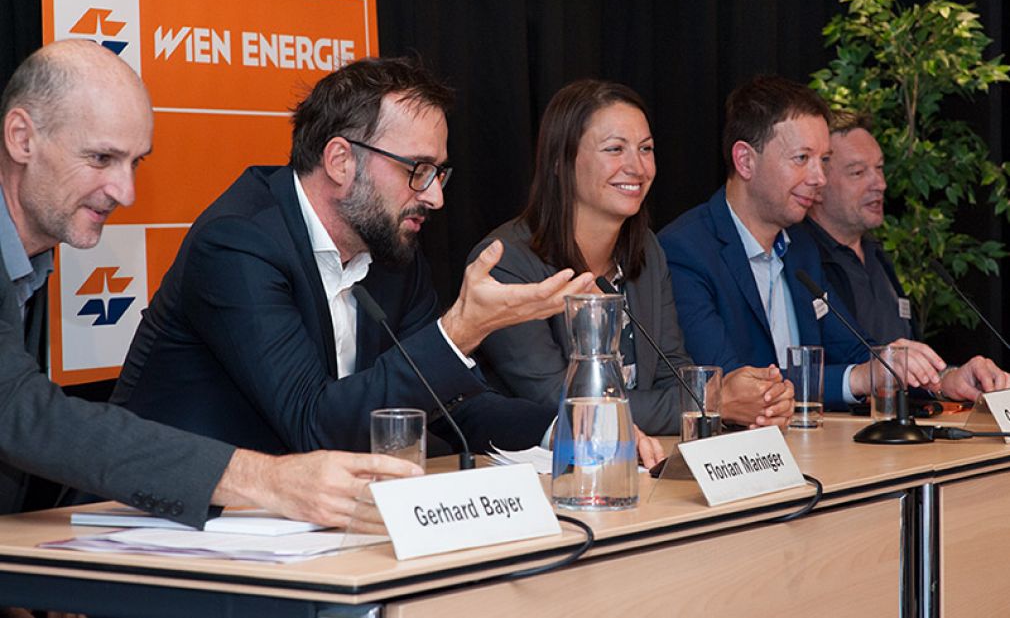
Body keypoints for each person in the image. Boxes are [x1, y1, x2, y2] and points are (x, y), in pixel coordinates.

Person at [110, 57, 662, 466]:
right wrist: (458, 333)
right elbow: (312, 422)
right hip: (156, 527)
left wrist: (575, 429)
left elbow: (452, 405)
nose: (435, 196)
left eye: (440, 173)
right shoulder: (238, 245)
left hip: (297, 525)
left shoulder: (394, 254)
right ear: (341, 160)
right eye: (417, 169)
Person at [0, 40, 425, 532]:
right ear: (21, 138)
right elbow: (20, 411)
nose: (126, 193)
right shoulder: (241, 237)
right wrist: (267, 479)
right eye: (100, 158)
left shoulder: (30, 261)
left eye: (135, 163)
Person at [471, 79, 793, 435]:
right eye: (614, 149)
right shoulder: (507, 262)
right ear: (560, 161)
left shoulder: (647, 251)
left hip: (640, 462)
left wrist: (753, 395)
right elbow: (559, 400)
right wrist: (712, 401)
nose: (637, 168)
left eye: (645, 149)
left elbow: (673, 370)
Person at [657, 75, 990, 410]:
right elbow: (730, 388)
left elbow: (857, 351)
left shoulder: (801, 247)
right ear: (745, 161)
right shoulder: (685, 251)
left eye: (824, 160)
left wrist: (946, 379)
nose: (819, 178)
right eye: (802, 159)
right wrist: (860, 376)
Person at [804, 111, 1009, 400]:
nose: (880, 184)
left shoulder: (879, 258)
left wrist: (946, 379)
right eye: (858, 172)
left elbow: (902, 367)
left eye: (880, 168)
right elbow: (803, 375)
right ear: (818, 184)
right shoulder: (799, 264)